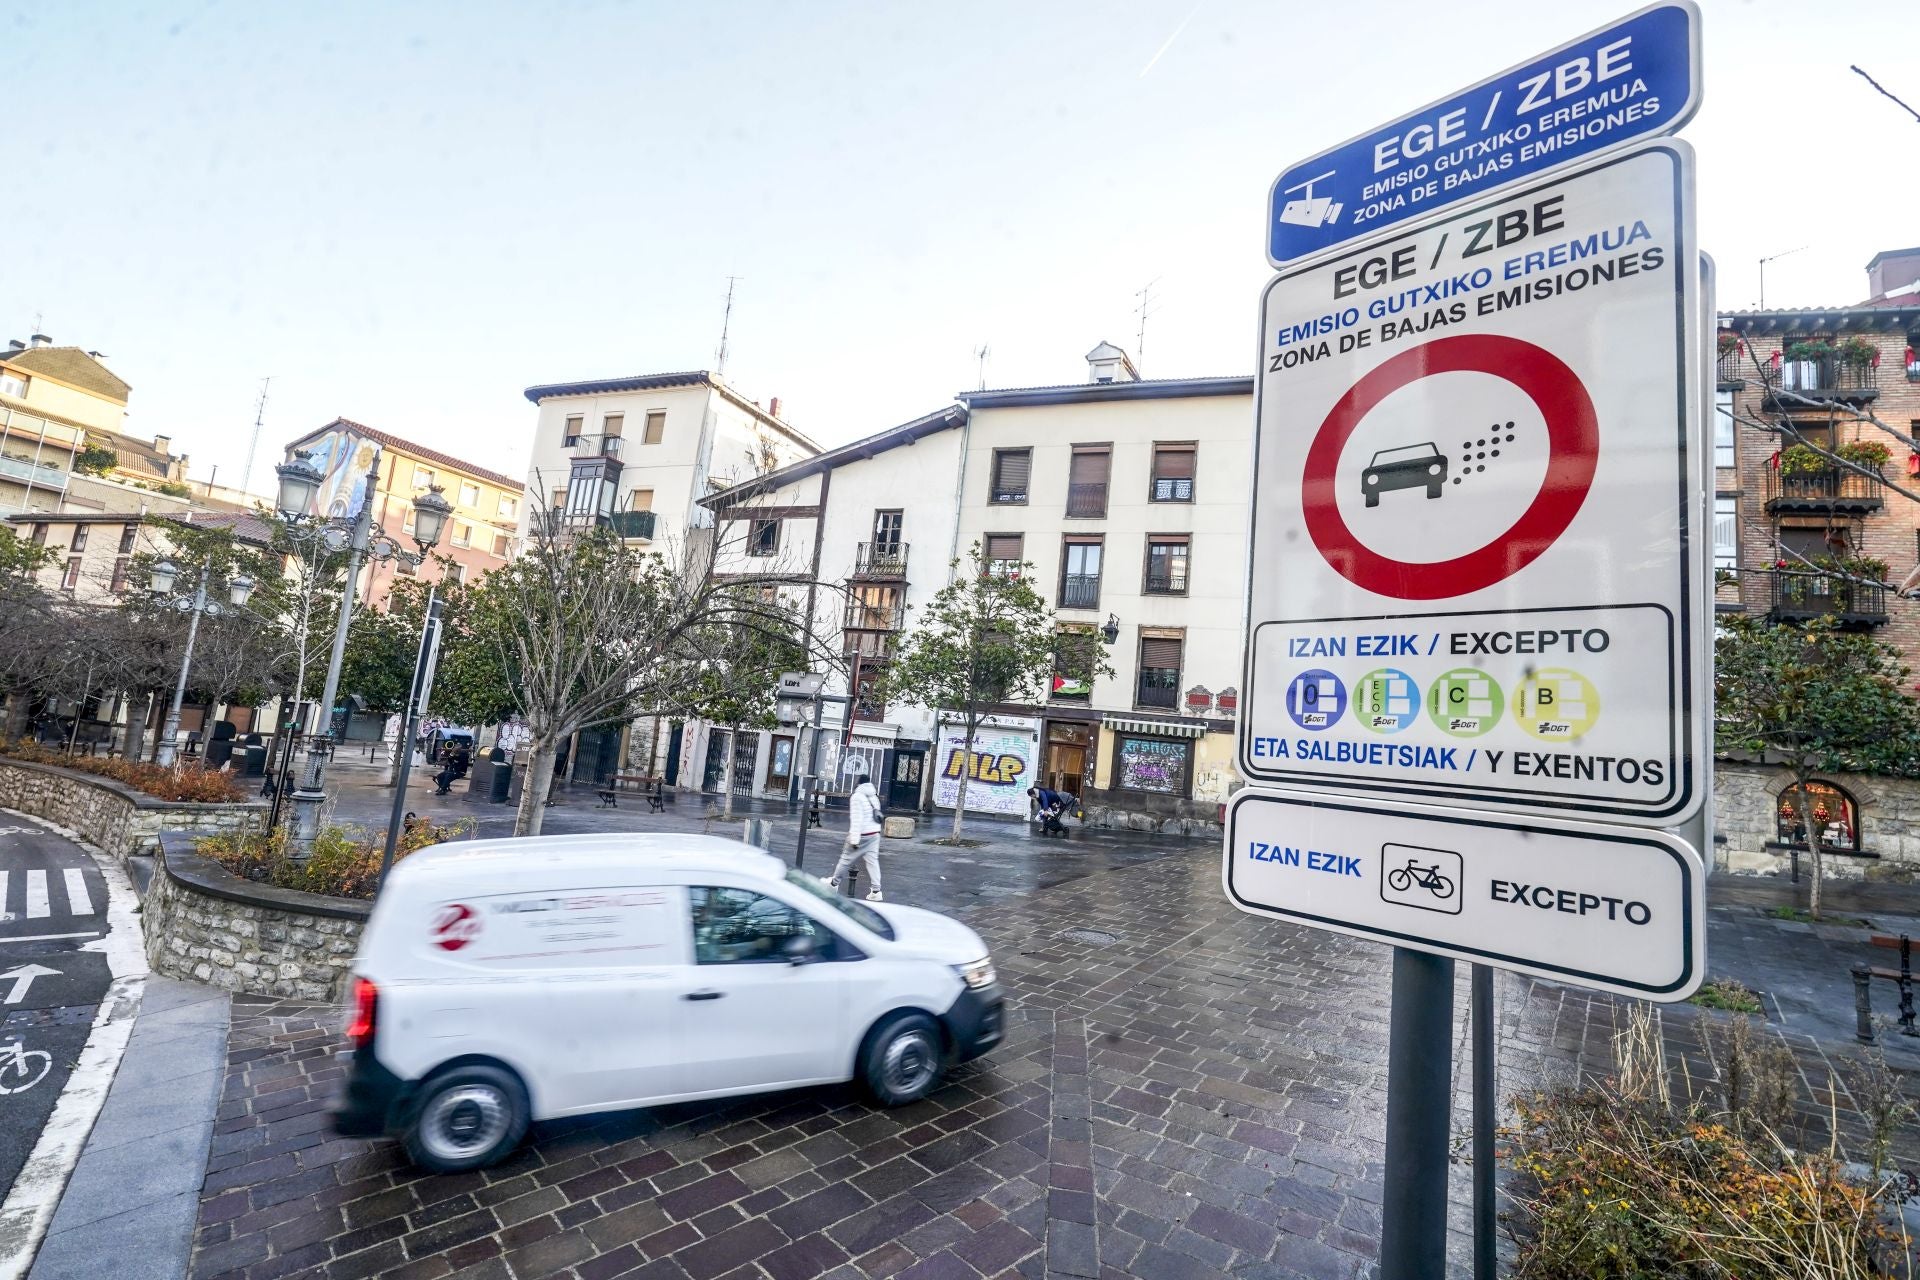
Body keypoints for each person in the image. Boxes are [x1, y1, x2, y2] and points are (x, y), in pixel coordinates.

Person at [829, 770, 885, 901]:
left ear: (858, 783)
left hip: (862, 835)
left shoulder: (856, 797)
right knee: (873, 862)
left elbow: (856, 819)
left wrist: (854, 840)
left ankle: (833, 885)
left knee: (845, 859)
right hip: (875, 834)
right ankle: (876, 891)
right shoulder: (874, 797)